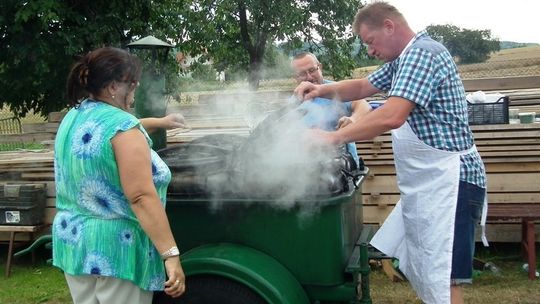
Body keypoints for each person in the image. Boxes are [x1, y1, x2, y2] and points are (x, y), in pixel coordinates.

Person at [293, 3, 487, 304]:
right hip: (434, 183)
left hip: (453, 182)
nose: (369, 51)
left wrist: (333, 137)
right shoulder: (403, 59)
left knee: (444, 278)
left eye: (370, 41)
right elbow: (361, 86)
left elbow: (391, 116)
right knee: (429, 270)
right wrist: (319, 91)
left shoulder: (423, 54)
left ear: (389, 26)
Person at [53, 46, 185, 304]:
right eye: (133, 83)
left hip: (75, 241)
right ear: (114, 87)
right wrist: (171, 255)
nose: (136, 89)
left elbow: (116, 129)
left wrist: (160, 121)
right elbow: (140, 197)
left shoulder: (74, 116)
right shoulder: (124, 130)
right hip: (116, 250)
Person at [290, 52, 371, 167]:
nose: (309, 77)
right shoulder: (293, 103)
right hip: (308, 170)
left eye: (312, 70)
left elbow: (364, 105)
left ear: (320, 67)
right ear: (295, 77)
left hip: (344, 167)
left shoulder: (336, 90)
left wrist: (353, 119)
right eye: (302, 74)